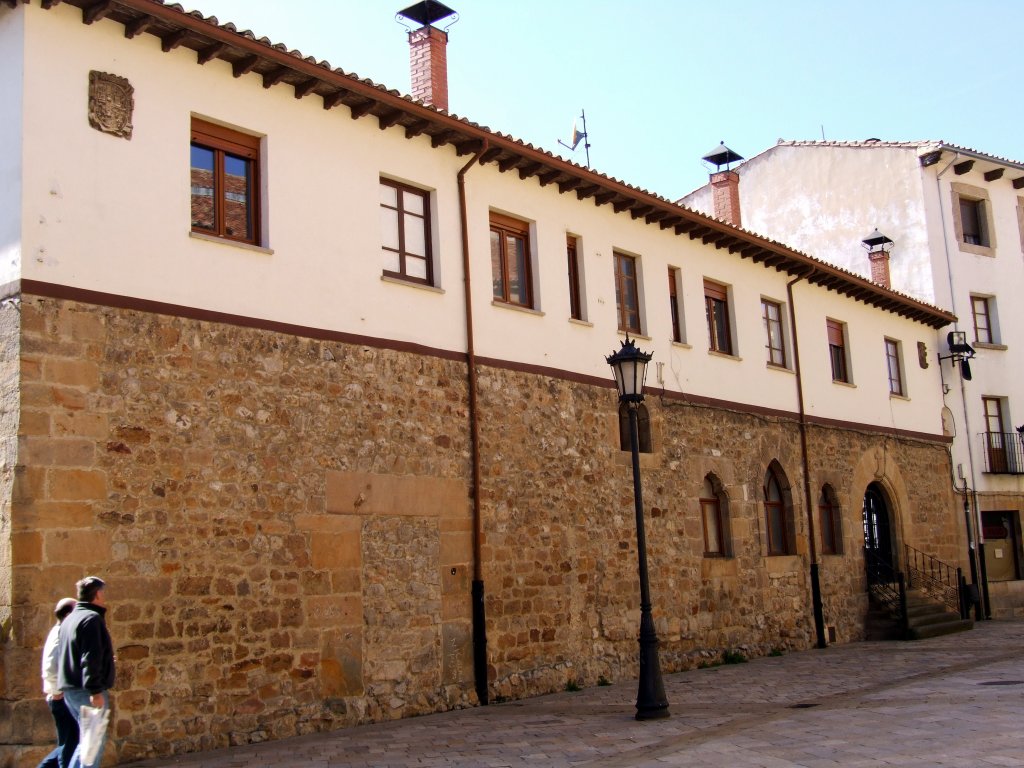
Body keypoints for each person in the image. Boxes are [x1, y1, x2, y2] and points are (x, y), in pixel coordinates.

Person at [58, 576, 115, 768]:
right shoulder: (91, 619)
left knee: (86, 743)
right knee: (92, 746)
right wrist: (95, 691)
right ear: (97, 594)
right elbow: (90, 657)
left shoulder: (70, 619)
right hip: (86, 690)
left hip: (70, 689)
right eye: (102, 593)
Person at [37, 597, 79, 768]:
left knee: (68, 744)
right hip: (61, 699)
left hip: (64, 697)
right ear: (68, 615)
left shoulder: (62, 631)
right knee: (69, 746)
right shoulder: (60, 633)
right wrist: (56, 692)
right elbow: (50, 666)